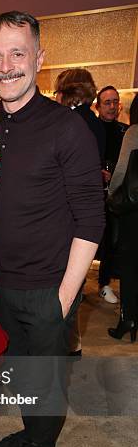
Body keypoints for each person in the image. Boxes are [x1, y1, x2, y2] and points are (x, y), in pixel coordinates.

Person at [0, 11, 105, 447]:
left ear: (39, 58)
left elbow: (92, 220)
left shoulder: (67, 127)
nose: (7, 65)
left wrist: (63, 298)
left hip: (49, 287)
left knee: (47, 379)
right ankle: (32, 429)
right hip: (0, 285)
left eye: (18, 53)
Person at [54, 68, 106, 356]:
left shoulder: (71, 122)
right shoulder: (94, 122)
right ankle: (72, 346)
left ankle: (70, 349)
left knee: (67, 295)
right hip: (81, 215)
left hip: (70, 219)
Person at [107, 93, 138, 342]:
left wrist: (111, 197)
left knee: (130, 267)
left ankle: (128, 319)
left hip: (134, 212)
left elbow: (120, 171)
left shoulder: (134, 132)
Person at [95, 85, 129, 303]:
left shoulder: (125, 131)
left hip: (118, 194)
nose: (112, 106)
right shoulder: (90, 129)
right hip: (93, 193)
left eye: (115, 102)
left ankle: (104, 282)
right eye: (107, 102)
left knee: (113, 240)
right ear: (97, 105)